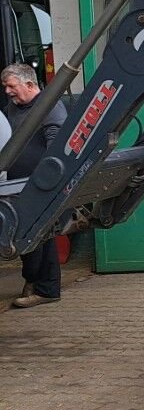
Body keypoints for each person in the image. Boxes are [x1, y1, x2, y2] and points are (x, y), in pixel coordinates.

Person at [2, 63, 67, 308]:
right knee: (25, 234)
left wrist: (46, 179)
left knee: (42, 235)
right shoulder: (13, 108)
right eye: (5, 86)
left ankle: (47, 289)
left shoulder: (49, 107)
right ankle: (32, 282)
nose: (7, 91)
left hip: (39, 184)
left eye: (11, 86)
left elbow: (55, 144)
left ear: (29, 84)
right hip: (17, 185)